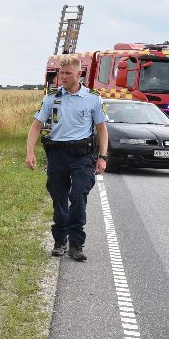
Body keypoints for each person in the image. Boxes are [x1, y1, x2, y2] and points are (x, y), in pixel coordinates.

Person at [26, 55, 109, 262]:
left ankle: (76, 243)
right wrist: (30, 152)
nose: (62, 77)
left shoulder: (93, 98)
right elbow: (36, 125)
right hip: (57, 154)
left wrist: (102, 157)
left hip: (81, 156)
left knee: (78, 196)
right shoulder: (51, 98)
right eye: (61, 73)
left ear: (78, 74)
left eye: (67, 73)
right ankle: (60, 240)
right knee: (59, 198)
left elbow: (101, 129)